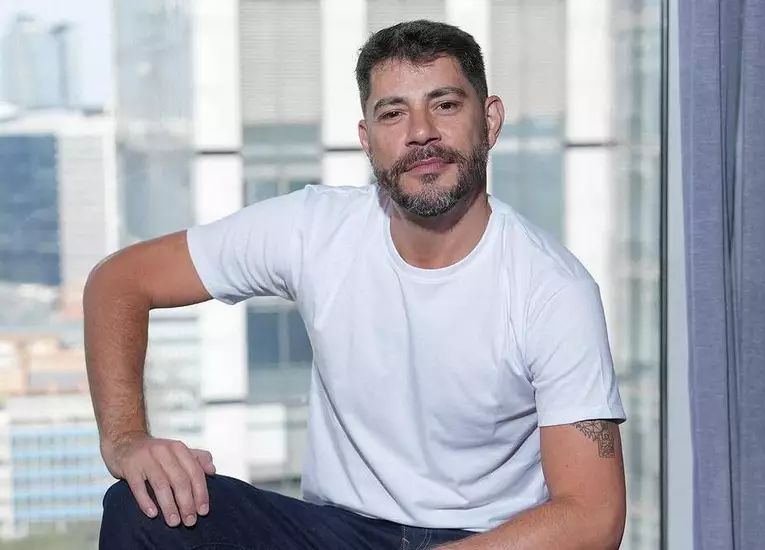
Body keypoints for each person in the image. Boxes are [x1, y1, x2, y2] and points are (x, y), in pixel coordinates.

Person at [87, 19, 627, 550]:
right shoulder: (314, 229)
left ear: (490, 121)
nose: (421, 132)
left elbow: (593, 515)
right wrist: (126, 439)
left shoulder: (552, 290)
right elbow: (119, 282)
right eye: (393, 113)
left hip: (484, 540)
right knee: (142, 506)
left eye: (444, 104)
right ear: (367, 139)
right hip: (335, 530)